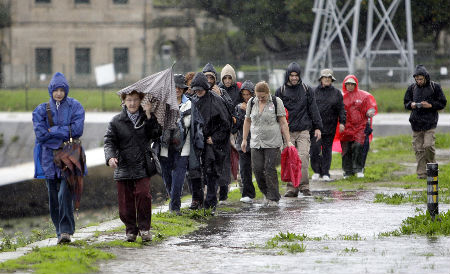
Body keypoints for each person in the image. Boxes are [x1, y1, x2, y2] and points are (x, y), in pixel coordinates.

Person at [32, 72, 85, 244]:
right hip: (48, 159)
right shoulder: (40, 110)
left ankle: (66, 231)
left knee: (65, 194)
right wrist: (64, 131)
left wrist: (52, 131)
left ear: (66, 90)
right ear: (51, 91)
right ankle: (59, 231)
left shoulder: (75, 106)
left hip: (69, 158)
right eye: (56, 90)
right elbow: (40, 135)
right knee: (53, 197)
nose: (59, 93)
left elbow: (77, 130)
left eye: (62, 90)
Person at [104, 89, 162, 242]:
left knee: (144, 195)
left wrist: (149, 115)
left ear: (140, 101)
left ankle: (144, 228)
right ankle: (130, 230)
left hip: (142, 164)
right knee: (125, 201)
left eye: (135, 100)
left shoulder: (147, 117)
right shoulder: (116, 121)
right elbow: (109, 141)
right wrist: (110, 157)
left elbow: (156, 134)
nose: (132, 103)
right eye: (129, 100)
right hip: (123, 165)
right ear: (124, 101)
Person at [241, 81, 293, 206]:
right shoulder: (251, 102)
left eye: (262, 96)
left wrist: (288, 141)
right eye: (258, 96)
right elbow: (247, 121)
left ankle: (273, 197)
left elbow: (283, 122)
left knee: (269, 168)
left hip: (272, 142)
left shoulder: (276, 101)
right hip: (256, 142)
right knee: (257, 169)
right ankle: (266, 192)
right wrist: (244, 139)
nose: (260, 99)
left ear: (267, 93)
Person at [275, 62, 323, 197]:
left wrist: (318, 127)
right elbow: (277, 112)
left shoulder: (307, 90)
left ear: (299, 76)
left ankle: (304, 186)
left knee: (303, 157)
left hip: (303, 130)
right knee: (289, 160)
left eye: (296, 75)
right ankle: (291, 188)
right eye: (292, 75)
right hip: (287, 131)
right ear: (288, 76)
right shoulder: (281, 91)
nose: (294, 78)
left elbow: (313, 109)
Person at [190, 72, 231, 211]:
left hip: (211, 143)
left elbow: (226, 123)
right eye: (196, 89)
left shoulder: (216, 100)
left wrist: (215, 138)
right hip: (197, 142)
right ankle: (198, 201)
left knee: (211, 172)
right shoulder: (193, 100)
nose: (198, 92)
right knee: (195, 172)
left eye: (200, 89)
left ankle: (211, 203)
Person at [404, 65, 447, 179]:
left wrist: (430, 105)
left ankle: (432, 167)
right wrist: (411, 105)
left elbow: (442, 103)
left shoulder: (435, 87)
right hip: (416, 123)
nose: (419, 81)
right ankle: (421, 174)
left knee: (428, 146)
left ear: (425, 77)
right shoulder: (412, 88)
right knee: (419, 149)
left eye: (421, 79)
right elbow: (406, 103)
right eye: (417, 79)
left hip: (430, 123)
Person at [159, 74, 192, 214]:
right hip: (165, 146)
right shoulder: (163, 104)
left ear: (184, 89)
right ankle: (173, 199)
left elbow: (190, 125)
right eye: (174, 87)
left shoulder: (189, 104)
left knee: (179, 176)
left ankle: (175, 207)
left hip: (183, 146)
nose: (177, 90)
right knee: (166, 175)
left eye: (179, 87)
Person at [202, 63, 233, 202]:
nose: (209, 80)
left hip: (221, 136)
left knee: (223, 164)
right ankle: (209, 194)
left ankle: (223, 192)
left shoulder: (221, 91)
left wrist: (220, 95)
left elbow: (230, 110)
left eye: (211, 77)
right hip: (206, 136)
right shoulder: (200, 92)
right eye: (206, 77)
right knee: (208, 166)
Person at [310, 69, 346, 182]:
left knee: (327, 150)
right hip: (315, 127)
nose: (326, 79)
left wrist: (342, 122)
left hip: (330, 126)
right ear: (321, 79)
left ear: (332, 80)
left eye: (329, 78)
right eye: (325, 77)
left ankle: (325, 172)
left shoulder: (337, 93)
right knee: (314, 150)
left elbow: (341, 109)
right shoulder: (314, 91)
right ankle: (317, 171)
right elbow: (309, 108)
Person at [340, 75, 377, 178]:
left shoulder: (363, 96)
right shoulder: (340, 97)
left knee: (358, 146)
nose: (350, 86)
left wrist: (370, 111)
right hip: (346, 128)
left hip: (360, 127)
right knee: (346, 149)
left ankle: (358, 169)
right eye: (348, 84)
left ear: (355, 84)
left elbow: (370, 107)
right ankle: (347, 171)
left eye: (352, 84)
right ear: (345, 85)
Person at [232, 80, 255, 203]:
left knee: (259, 168)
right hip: (243, 142)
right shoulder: (238, 107)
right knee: (244, 170)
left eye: (248, 94)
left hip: (257, 142)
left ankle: (267, 191)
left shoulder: (259, 105)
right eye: (244, 95)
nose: (246, 97)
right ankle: (247, 193)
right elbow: (235, 127)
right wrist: (241, 114)